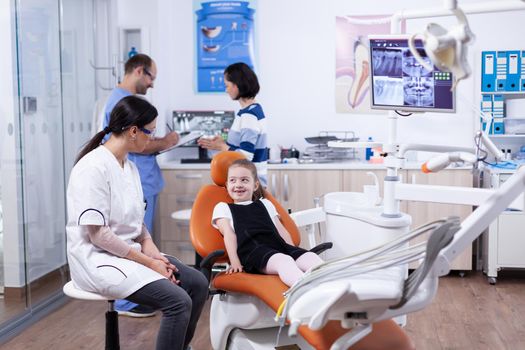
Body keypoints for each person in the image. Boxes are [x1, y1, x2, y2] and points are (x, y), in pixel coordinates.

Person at [66, 95, 208, 350]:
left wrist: (153, 252)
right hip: (98, 259)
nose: (152, 140)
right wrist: (150, 262)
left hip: (130, 253)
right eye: (150, 133)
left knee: (197, 284)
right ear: (133, 131)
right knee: (178, 301)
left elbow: (137, 221)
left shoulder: (129, 167)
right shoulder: (93, 168)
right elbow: (98, 235)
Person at [102, 53, 180, 317]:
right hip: (138, 185)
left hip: (144, 181)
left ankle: (139, 293)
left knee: (143, 239)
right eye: (151, 77)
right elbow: (137, 145)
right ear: (138, 71)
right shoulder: (119, 103)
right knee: (132, 241)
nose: (152, 84)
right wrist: (166, 142)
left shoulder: (126, 101)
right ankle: (127, 301)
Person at [212, 159, 323, 287]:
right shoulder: (223, 208)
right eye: (233, 180)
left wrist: (293, 250)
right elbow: (229, 235)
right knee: (284, 261)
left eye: (244, 180)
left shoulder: (265, 203)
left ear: (255, 185)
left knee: (310, 257)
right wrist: (235, 262)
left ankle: (333, 288)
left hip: (278, 246)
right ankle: (309, 291)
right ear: (226, 185)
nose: (238, 184)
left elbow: (280, 230)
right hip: (253, 252)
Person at [197, 62, 268, 187]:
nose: (226, 90)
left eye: (227, 86)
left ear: (236, 86)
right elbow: (241, 149)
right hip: (248, 183)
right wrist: (222, 144)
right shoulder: (250, 111)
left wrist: (222, 146)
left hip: (250, 186)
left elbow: (245, 157)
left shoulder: (249, 115)